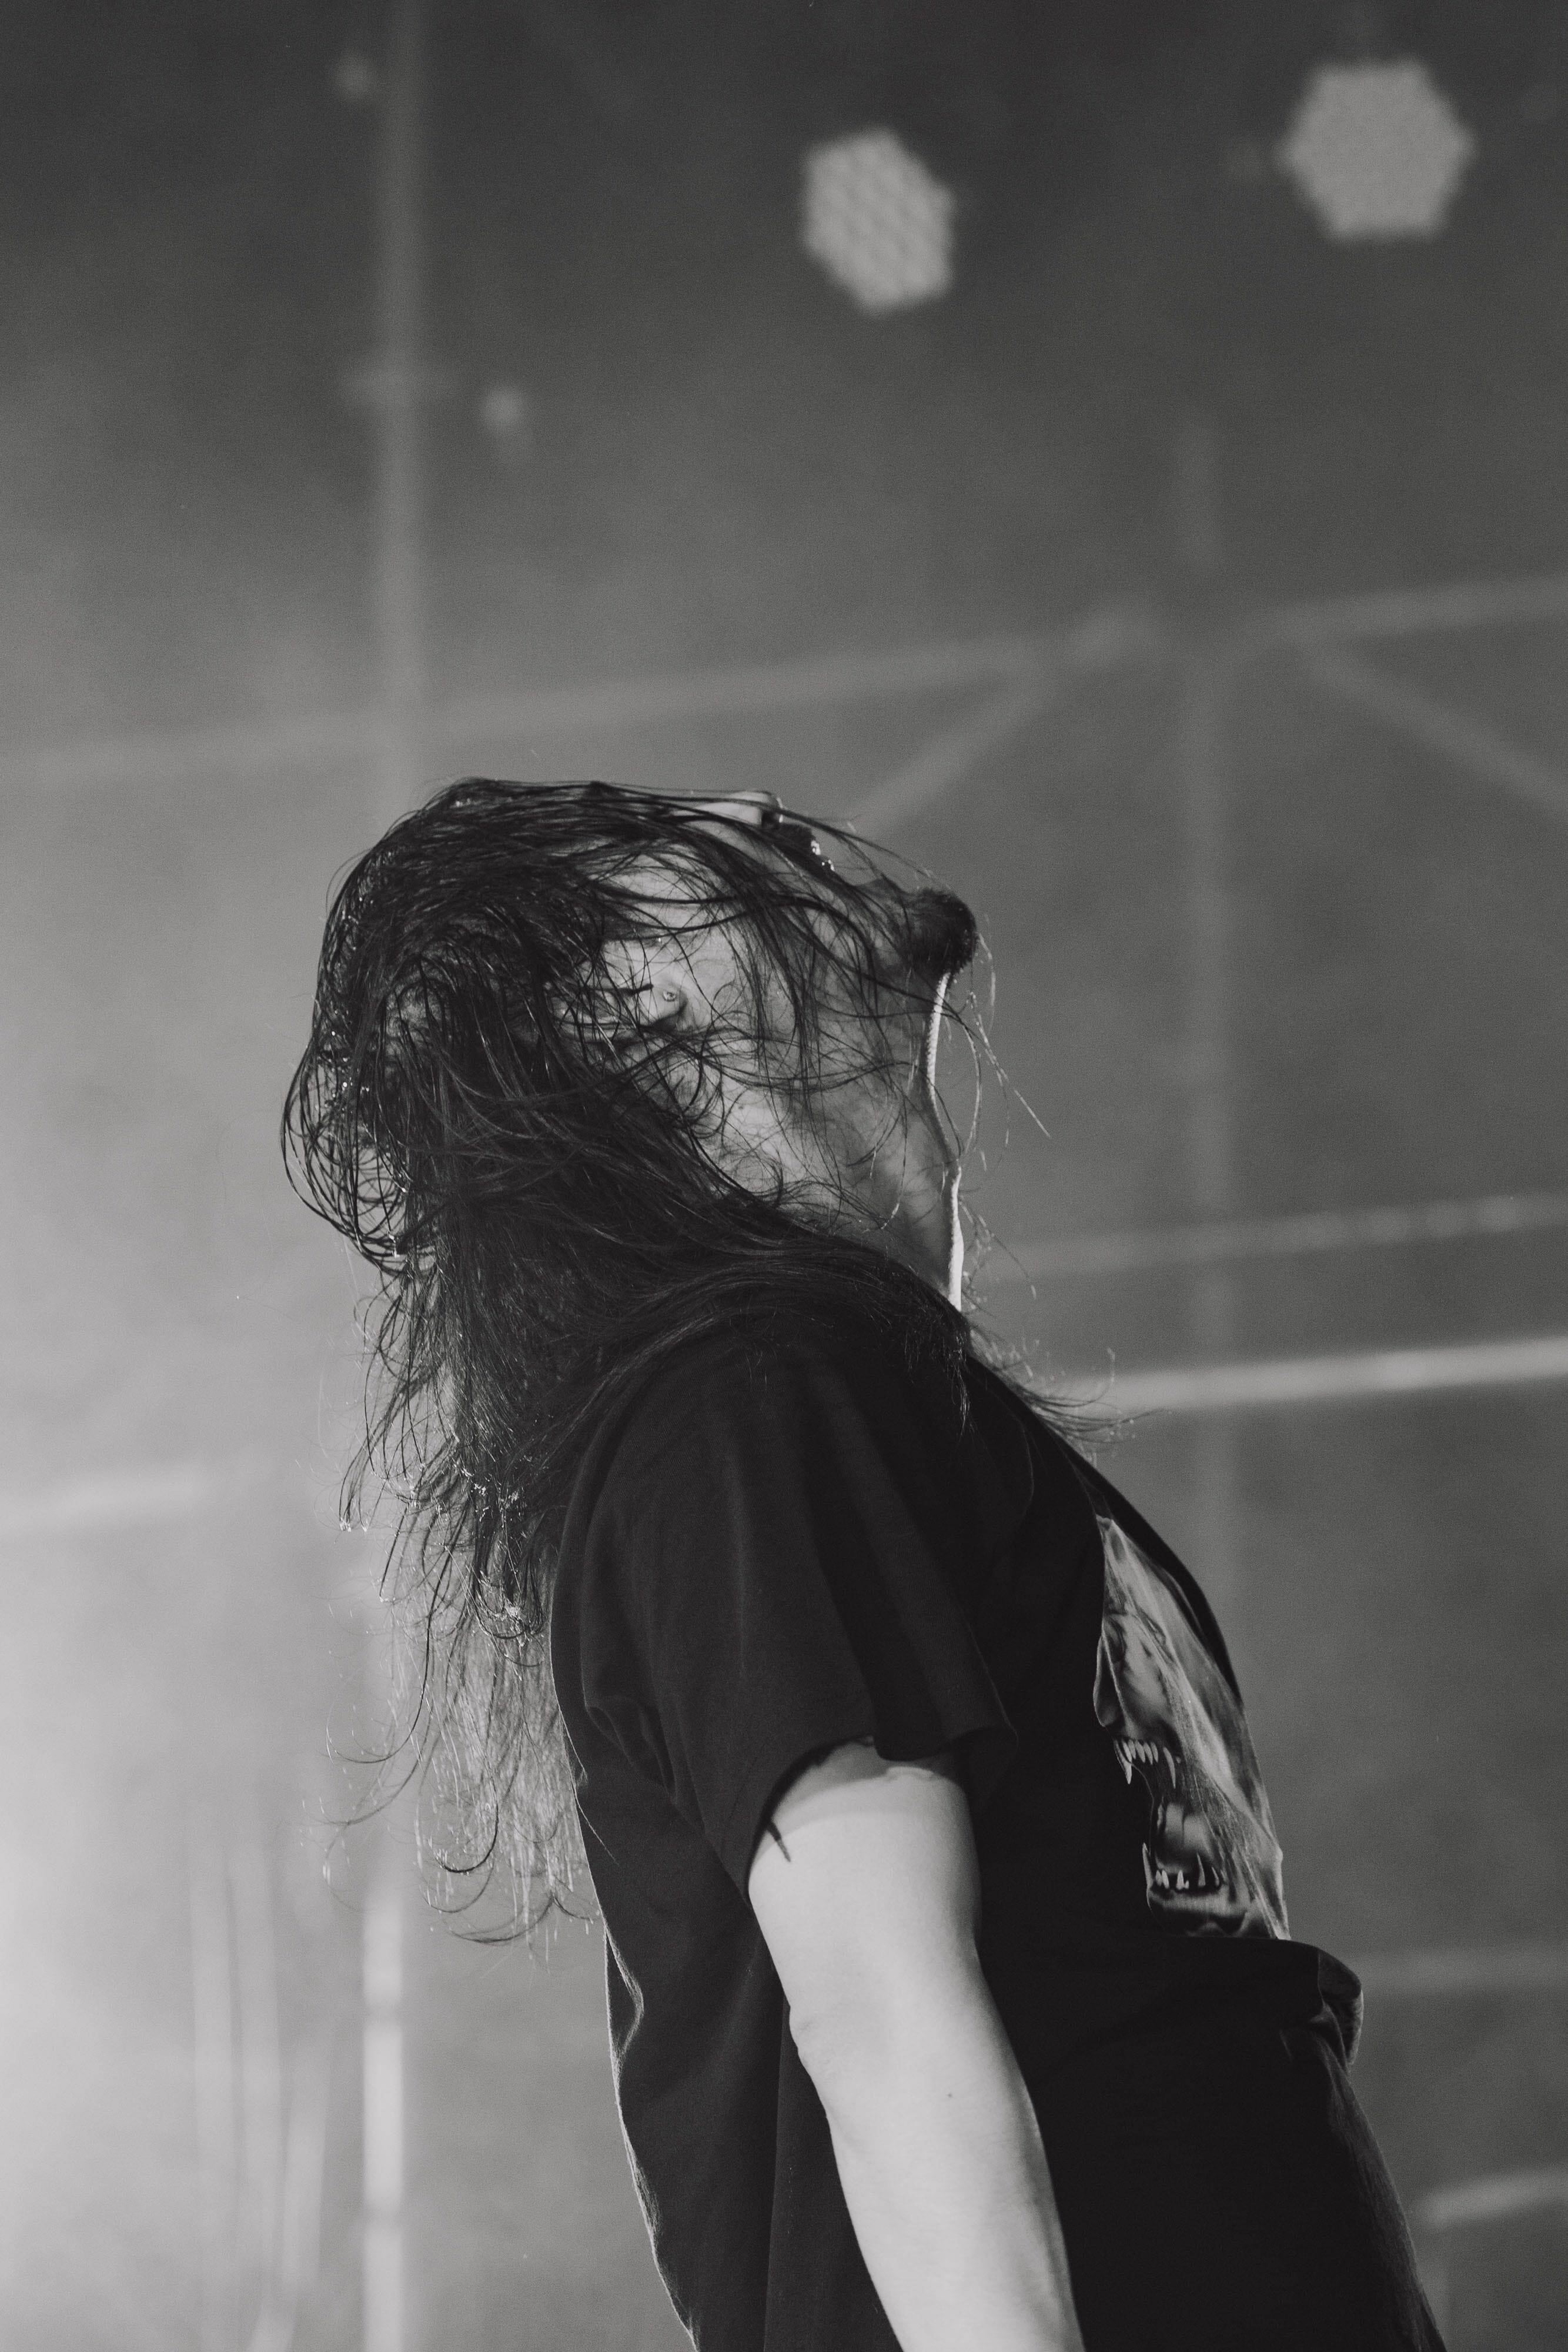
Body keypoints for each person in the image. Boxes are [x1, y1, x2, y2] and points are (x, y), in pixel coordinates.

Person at [285, 776, 1444, 2352]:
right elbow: (881, 2015)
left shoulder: (881, 1405)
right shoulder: (749, 1393)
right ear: (628, 1008)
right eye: (676, 842)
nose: (764, 809)